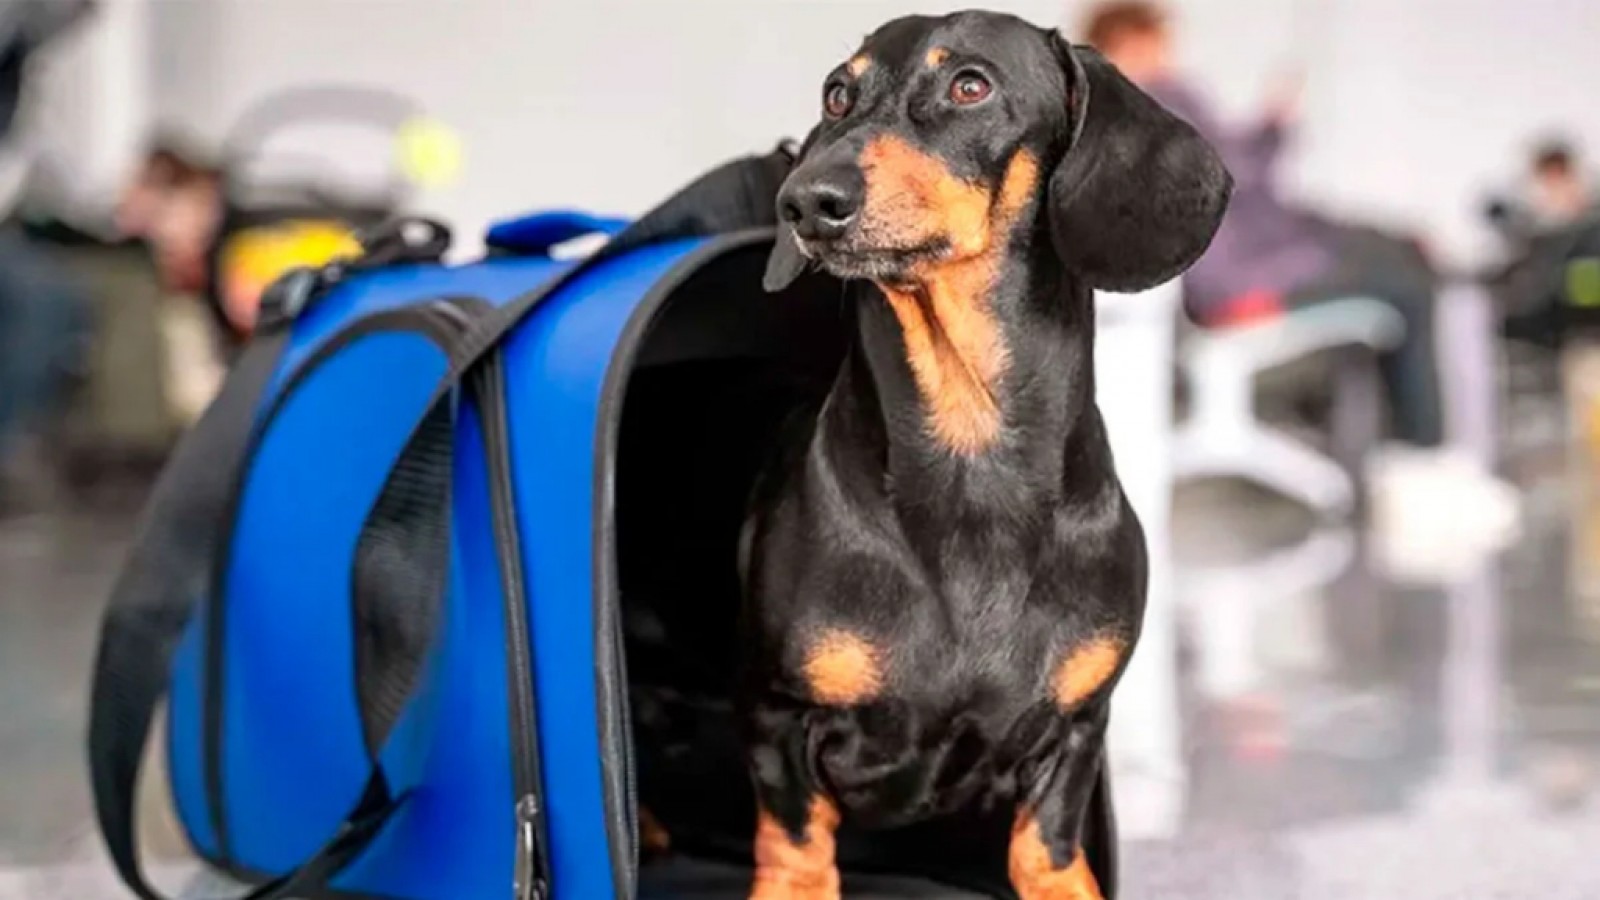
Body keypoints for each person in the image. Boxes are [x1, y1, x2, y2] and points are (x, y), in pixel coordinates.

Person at [1083, 1, 1444, 449]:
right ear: (1129, 42)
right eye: (1160, 41)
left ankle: (1409, 448)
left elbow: (1230, 170)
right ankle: (1425, 452)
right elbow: (1235, 173)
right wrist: (1274, 124)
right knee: (1408, 279)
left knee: (1398, 255)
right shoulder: (1160, 98)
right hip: (1237, 281)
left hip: (1233, 266)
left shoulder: (1112, 114)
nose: (1169, 53)